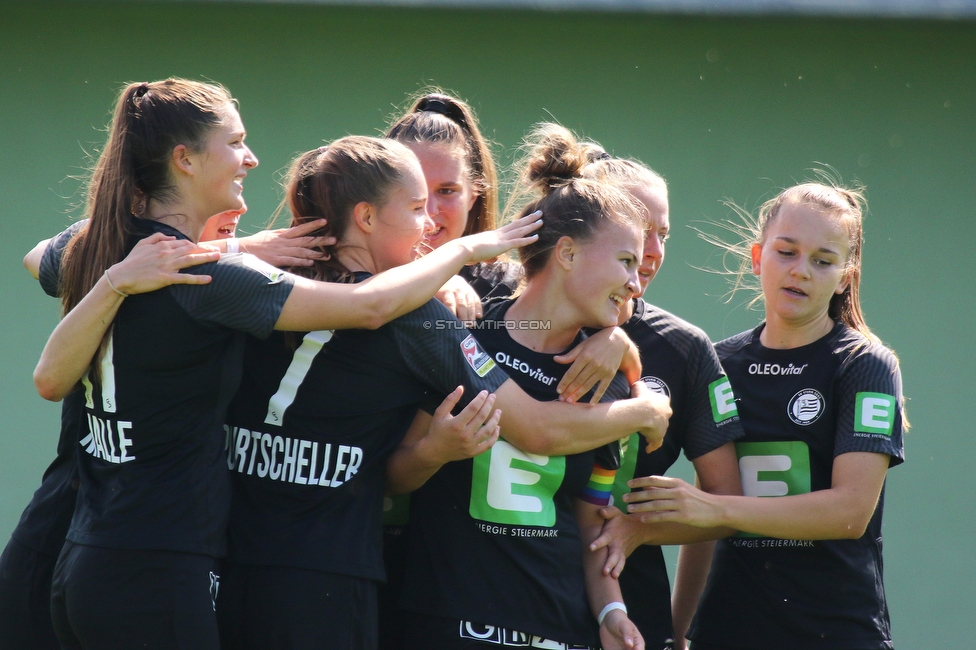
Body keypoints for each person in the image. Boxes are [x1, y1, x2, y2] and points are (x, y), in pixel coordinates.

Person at [29, 78, 542, 650]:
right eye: (235, 141)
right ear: (185, 159)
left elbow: (45, 341)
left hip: (86, 553)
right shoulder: (216, 280)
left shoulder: (129, 254)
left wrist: (222, 250)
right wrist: (464, 251)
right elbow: (370, 306)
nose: (250, 157)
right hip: (162, 560)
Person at [215, 136, 670, 650]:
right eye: (415, 207)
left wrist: (613, 333)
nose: (431, 222)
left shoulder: (251, 276)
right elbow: (537, 427)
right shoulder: (421, 320)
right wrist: (646, 406)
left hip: (221, 560)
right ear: (365, 217)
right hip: (330, 577)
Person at [3, 209, 327, 650]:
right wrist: (235, 248)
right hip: (66, 532)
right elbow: (39, 256)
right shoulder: (132, 262)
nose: (237, 213)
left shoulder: (225, 290)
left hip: (132, 549)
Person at [391, 124, 662, 650]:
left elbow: (591, 518)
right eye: (626, 260)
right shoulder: (465, 329)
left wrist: (611, 611)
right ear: (566, 255)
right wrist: (432, 453)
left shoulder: (608, 383)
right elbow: (393, 474)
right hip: (450, 624)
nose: (637, 282)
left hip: (561, 631)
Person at [623, 181, 906, 649]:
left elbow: (850, 511)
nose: (801, 271)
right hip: (726, 630)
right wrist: (678, 632)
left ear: (844, 276)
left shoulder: (864, 364)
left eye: (823, 260)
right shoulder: (717, 363)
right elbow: (705, 512)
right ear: (757, 257)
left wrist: (716, 509)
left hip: (834, 632)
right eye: (786, 252)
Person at [580, 150, 743, 650]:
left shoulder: (684, 348)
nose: (651, 251)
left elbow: (728, 501)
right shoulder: (523, 320)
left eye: (663, 235)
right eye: (637, 227)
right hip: (510, 588)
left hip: (629, 602)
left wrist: (639, 529)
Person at [387, 91, 520, 312]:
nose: (428, 211)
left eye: (446, 191)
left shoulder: (510, 289)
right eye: (410, 190)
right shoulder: (337, 270)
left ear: (472, 197)